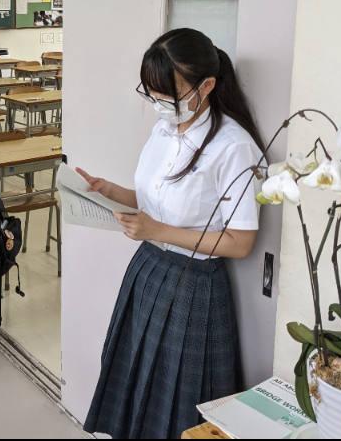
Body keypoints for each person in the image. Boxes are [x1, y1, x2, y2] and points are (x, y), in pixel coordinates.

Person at [80, 28, 265, 439]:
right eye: (153, 94)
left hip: (194, 284)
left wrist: (158, 229)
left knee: (179, 400)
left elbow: (241, 243)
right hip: (148, 269)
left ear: (207, 86)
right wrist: (111, 190)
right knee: (135, 379)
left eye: (169, 95)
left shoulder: (233, 146)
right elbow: (159, 200)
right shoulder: (164, 130)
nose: (159, 104)